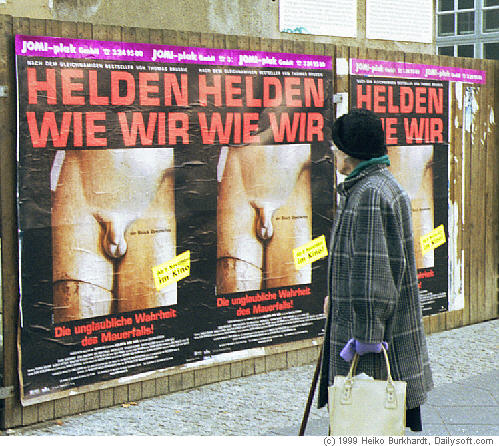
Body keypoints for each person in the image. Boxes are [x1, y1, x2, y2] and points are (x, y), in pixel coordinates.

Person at [318, 108, 433, 432]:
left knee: (362, 421)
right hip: (385, 328)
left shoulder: (368, 194)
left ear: (352, 151)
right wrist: (336, 296)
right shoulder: (383, 184)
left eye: (337, 147)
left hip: (370, 339)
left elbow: (373, 274)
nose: (334, 153)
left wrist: (367, 339)